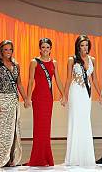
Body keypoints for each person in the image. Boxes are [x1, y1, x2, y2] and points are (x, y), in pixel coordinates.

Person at [0, 40, 27, 167]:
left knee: (13, 130)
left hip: (13, 100)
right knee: (1, 131)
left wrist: (25, 98)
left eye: (10, 50)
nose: (8, 52)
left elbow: (19, 83)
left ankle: (10, 158)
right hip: (2, 99)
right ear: (1, 51)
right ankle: (1, 158)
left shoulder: (16, 65)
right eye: (6, 50)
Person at [25, 38, 65, 166]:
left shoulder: (54, 63)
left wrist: (64, 94)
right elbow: (31, 81)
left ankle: (46, 157)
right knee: (39, 127)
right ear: (40, 48)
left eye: (47, 47)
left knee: (46, 128)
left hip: (48, 98)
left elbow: (57, 79)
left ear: (50, 48)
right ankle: (37, 158)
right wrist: (27, 98)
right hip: (38, 98)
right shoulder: (34, 62)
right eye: (43, 47)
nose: (45, 50)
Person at [64, 35, 101, 167]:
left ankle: (85, 156)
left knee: (85, 121)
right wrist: (64, 95)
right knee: (75, 120)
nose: (84, 47)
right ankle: (74, 157)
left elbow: (95, 79)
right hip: (75, 92)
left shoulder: (93, 60)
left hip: (86, 93)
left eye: (86, 45)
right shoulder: (72, 60)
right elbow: (68, 78)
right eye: (82, 45)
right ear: (78, 46)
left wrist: (100, 94)